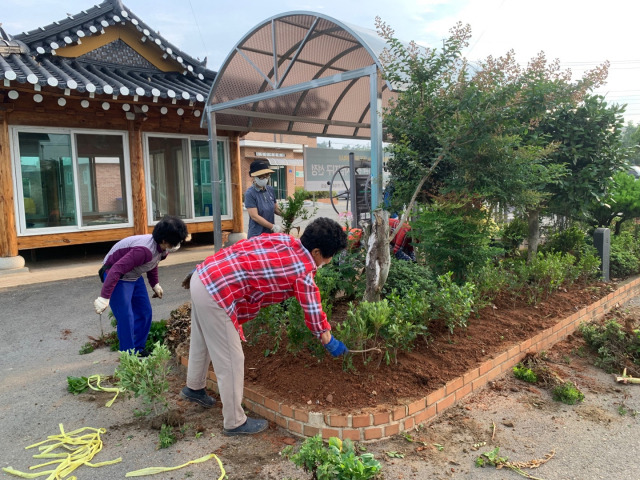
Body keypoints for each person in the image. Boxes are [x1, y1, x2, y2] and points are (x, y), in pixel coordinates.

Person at [179, 217, 349, 436]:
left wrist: (203, 271)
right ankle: (234, 422)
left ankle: (194, 388)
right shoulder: (303, 272)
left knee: (202, 339)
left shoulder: (286, 241)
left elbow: (245, 246)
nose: (329, 260)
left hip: (203, 275)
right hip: (215, 292)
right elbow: (314, 313)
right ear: (316, 252)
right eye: (329, 256)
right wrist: (329, 341)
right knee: (231, 359)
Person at [93, 215, 190, 355]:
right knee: (126, 317)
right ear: (163, 240)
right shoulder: (142, 251)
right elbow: (116, 269)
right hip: (116, 275)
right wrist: (104, 297)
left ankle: (138, 349)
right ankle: (128, 356)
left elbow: (152, 263)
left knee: (145, 312)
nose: (176, 246)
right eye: (174, 242)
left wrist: (154, 283)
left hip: (133, 275)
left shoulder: (163, 250)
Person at [244, 159, 282, 238]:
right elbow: (254, 216)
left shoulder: (270, 189)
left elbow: (276, 209)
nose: (265, 178)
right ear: (254, 177)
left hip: (269, 234)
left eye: (266, 176)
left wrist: (287, 215)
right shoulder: (250, 193)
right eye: (261, 176)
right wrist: (273, 227)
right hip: (257, 234)